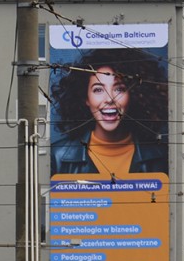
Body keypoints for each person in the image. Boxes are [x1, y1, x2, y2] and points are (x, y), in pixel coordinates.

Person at [51, 48, 168, 176]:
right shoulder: (57, 156)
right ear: (86, 98)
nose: (109, 99)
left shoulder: (162, 156)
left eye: (119, 89)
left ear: (133, 95)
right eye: (98, 90)